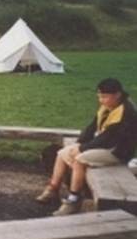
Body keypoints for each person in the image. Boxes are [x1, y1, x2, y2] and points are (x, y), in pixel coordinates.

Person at [36, 78, 137, 216]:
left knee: (80, 159)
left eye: (104, 97)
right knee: (62, 153)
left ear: (117, 94)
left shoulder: (125, 112)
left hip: (117, 151)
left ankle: (74, 200)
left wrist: (83, 148)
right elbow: (92, 127)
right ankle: (53, 189)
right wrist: (79, 142)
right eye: (99, 96)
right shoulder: (110, 105)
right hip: (105, 145)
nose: (101, 100)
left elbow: (108, 139)